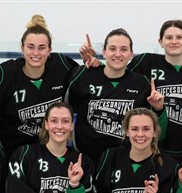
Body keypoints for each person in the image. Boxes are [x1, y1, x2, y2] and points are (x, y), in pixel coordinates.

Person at [68, 28, 166, 162]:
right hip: (86, 160)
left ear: (131, 54)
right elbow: (70, 107)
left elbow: (156, 130)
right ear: (104, 52)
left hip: (124, 162)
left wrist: (158, 109)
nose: (118, 54)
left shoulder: (141, 83)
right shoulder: (83, 76)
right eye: (112, 48)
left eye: (124, 49)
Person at [0, 15, 79, 157]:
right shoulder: (6, 74)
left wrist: (94, 63)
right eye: (30, 47)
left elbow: (86, 81)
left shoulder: (62, 66)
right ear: (22, 48)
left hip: (51, 155)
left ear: (49, 50)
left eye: (42, 48)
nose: (36, 53)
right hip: (12, 155)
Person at [127, 20, 182, 163]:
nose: (174, 41)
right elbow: (119, 74)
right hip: (156, 150)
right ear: (160, 41)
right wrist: (93, 64)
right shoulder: (146, 62)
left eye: (179, 37)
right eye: (169, 37)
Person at [94, 108, 179, 193]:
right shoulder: (110, 156)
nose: (140, 134)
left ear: (155, 132)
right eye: (134, 129)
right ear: (127, 131)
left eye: (146, 129)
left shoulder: (169, 165)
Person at [5, 102, 95, 193]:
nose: (59, 126)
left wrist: (74, 185)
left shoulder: (83, 162)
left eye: (65, 121)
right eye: (54, 121)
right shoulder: (25, 154)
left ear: (72, 125)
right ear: (46, 124)